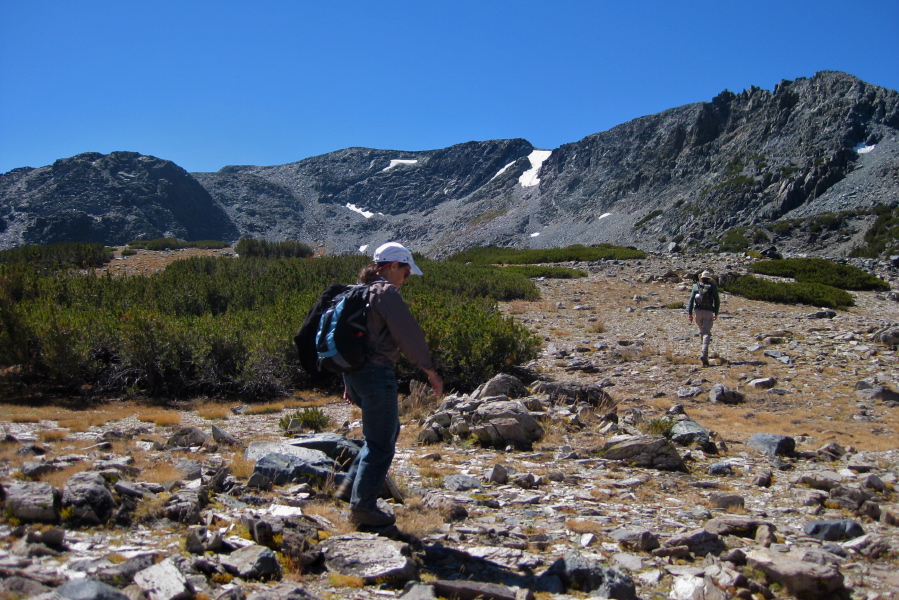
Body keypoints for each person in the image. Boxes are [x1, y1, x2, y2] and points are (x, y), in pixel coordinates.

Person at [337, 242, 443, 527]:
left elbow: (347, 338)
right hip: (375, 374)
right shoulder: (386, 292)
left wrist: (347, 380)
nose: (407, 279)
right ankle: (363, 507)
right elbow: (408, 335)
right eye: (406, 271)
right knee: (381, 443)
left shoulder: (356, 292)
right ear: (392, 266)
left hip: (355, 374)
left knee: (384, 432)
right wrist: (430, 371)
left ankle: (348, 490)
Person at [687, 270, 720, 367]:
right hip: (708, 312)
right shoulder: (712, 287)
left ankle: (703, 352)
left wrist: (690, 313)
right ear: (709, 278)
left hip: (698, 312)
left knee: (702, 331)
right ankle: (704, 354)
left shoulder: (696, 286)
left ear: (701, 277)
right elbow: (717, 301)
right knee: (706, 332)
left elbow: (691, 300)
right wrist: (716, 313)